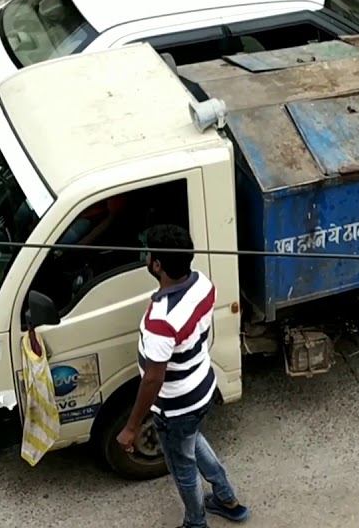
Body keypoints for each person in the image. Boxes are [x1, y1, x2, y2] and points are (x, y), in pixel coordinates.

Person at [116, 224, 249, 527]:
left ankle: (195, 522)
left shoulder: (160, 322)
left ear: (157, 265)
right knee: (191, 441)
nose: (147, 256)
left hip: (176, 406)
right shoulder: (202, 284)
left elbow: (152, 379)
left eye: (150, 253)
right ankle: (227, 498)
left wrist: (132, 426)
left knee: (182, 466)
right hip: (202, 388)